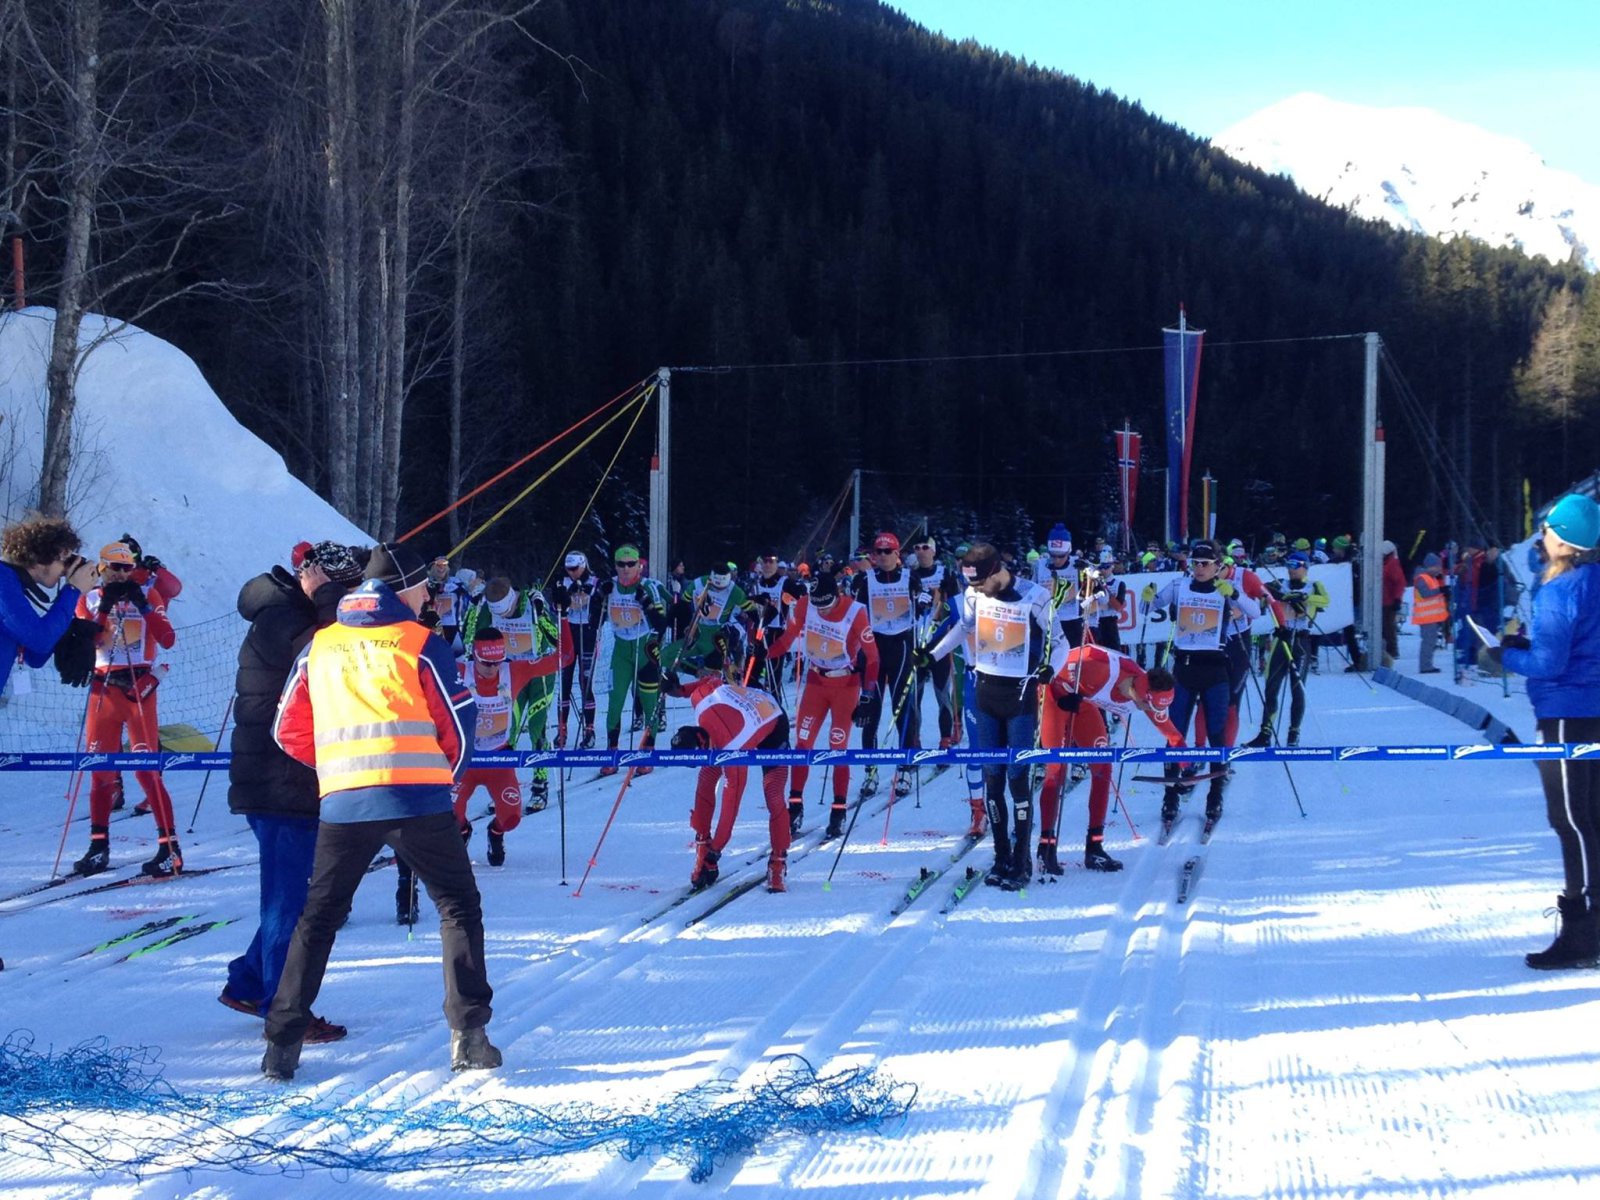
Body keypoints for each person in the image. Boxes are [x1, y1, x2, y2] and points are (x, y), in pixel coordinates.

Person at [265, 541, 495, 1081]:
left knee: (317, 919)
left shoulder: (321, 646)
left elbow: (285, 729)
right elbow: (458, 728)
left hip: (344, 801)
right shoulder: (419, 642)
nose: (428, 597)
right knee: (458, 907)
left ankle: (281, 1046)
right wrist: (446, 778)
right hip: (417, 796)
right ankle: (469, 1036)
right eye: (424, 588)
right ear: (406, 589)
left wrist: (338, 769)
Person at [220, 540, 366, 1040]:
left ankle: (248, 982)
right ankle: (284, 1011)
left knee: (291, 897)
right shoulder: (282, 619)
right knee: (290, 903)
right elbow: (332, 646)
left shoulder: (286, 612)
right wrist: (328, 597)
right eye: (342, 593)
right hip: (280, 783)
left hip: (291, 780)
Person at [1482, 494, 1600, 969]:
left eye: (1547, 530)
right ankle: (1587, 928)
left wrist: (1504, 654)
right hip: (1588, 707)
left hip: (1566, 712)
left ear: (1563, 540)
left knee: (1570, 820)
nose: (1540, 538)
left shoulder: (1561, 588)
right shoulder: (1587, 582)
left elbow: (1549, 664)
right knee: (1590, 817)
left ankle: (1584, 931)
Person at [931, 543, 1065, 890]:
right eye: (970, 585)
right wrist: (932, 653)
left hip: (1019, 699)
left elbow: (1061, 642)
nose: (974, 591)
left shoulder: (1034, 597)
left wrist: (1052, 668)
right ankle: (1001, 855)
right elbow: (964, 627)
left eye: (979, 583)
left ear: (996, 572)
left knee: (1019, 781)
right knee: (993, 780)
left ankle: (1021, 862)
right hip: (986, 693)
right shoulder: (976, 595)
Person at [70, 543, 181, 877]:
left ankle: (169, 848)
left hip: (138, 690)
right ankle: (98, 846)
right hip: (103, 690)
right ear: (102, 568)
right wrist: (103, 609)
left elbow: (168, 639)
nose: (121, 574)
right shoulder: (87, 599)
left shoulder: (148, 595)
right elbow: (88, 644)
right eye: (115, 568)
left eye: (126, 568)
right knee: (100, 769)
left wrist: (145, 605)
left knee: (146, 769)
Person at [1142, 540, 1259, 832]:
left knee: (1217, 733)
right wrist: (1147, 596)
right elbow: (1149, 605)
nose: (1200, 568)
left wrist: (1234, 594)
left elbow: (1255, 611)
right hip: (1184, 669)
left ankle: (1215, 795)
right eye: (1195, 563)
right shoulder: (1180, 585)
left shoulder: (1224, 589)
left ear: (1218, 566)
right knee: (1174, 733)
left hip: (1216, 669)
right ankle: (1171, 796)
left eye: (1206, 563)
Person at [666, 626, 792, 893]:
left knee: (773, 796)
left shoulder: (733, 751)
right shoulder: (701, 705)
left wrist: (717, 849)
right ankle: (701, 847)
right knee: (704, 782)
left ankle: (778, 861)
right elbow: (707, 683)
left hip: (772, 724)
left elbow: (730, 809)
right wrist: (677, 689)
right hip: (742, 710)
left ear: (702, 743)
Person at [1039, 644, 1184, 873]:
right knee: (1056, 769)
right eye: (1148, 704)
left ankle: (1095, 848)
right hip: (1055, 695)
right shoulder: (1098, 668)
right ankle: (1045, 847)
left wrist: (1182, 755)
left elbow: (1166, 727)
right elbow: (1050, 671)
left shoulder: (1147, 692)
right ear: (1140, 691)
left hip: (1084, 701)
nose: (1148, 710)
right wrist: (1060, 695)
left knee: (1103, 767)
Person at [766, 568, 879, 838]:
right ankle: (795, 805)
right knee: (803, 743)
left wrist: (868, 695)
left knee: (837, 747)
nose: (823, 612)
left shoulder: (856, 612)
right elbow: (788, 638)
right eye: (818, 607)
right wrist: (765, 652)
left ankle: (838, 809)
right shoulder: (806, 604)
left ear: (838, 595)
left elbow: (872, 657)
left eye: (827, 606)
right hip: (816, 682)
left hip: (845, 685)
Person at [851, 532, 919, 799]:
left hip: (901, 647)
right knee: (872, 710)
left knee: (903, 708)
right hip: (873, 649)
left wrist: (923, 602)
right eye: (877, 552)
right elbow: (853, 615)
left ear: (897, 553)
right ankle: (870, 770)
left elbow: (926, 603)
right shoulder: (863, 580)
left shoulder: (910, 578)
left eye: (887, 552)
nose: (882, 556)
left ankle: (904, 768)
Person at [1, 516, 96, 698]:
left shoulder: (10, 585)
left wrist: (68, 628)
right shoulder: (2, 581)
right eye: (64, 560)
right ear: (40, 558)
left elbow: (34, 655)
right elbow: (40, 639)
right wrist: (73, 590)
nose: (65, 570)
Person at [593, 545, 670, 772]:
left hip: (645, 649)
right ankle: (612, 752)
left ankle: (647, 752)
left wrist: (645, 603)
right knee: (615, 702)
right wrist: (598, 598)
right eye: (621, 564)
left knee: (649, 703)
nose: (626, 569)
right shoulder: (609, 586)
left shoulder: (648, 587)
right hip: (620, 651)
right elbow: (592, 619)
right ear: (615, 565)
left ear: (639, 565)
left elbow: (661, 625)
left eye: (631, 564)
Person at [1248, 551, 1328, 746]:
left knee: (1297, 688)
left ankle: (1294, 732)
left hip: (1301, 641)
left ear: (1305, 567)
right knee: (1271, 686)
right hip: (1281, 638)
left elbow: (1324, 600)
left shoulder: (1314, 585)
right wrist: (1283, 595)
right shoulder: (1281, 583)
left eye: (1297, 565)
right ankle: (1265, 733)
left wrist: (1303, 597)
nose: (1292, 569)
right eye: (1290, 564)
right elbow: (1263, 590)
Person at [906, 536, 957, 749]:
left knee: (942, 693)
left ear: (933, 551)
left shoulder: (945, 574)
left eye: (925, 547)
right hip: (917, 642)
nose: (921, 551)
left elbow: (956, 608)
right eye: (917, 548)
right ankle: (914, 740)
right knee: (914, 696)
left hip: (939, 643)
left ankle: (945, 739)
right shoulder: (908, 576)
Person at [549, 550, 600, 747]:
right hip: (568, 633)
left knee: (585, 681)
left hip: (587, 633)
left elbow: (600, 604)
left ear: (583, 565)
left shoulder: (594, 581)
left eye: (575, 568)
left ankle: (589, 730)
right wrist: (561, 598)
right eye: (568, 569)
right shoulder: (562, 582)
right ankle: (562, 730)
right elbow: (555, 608)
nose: (572, 572)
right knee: (565, 682)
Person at [1410, 552, 1450, 674]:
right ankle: (1425, 666)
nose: (1439, 569)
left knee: (1431, 641)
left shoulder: (1431, 578)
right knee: (1428, 641)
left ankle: (1427, 664)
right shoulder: (1422, 578)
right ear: (1430, 566)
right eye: (1437, 567)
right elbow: (1426, 594)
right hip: (1425, 616)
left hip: (1431, 616)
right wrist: (1441, 590)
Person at [1380, 539, 1407, 667]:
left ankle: (1392, 650)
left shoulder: (1392, 565)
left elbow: (1400, 583)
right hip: (1384, 600)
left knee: (1388, 627)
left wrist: (1397, 599)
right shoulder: (1386, 563)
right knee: (1385, 627)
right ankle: (1388, 649)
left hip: (1389, 601)